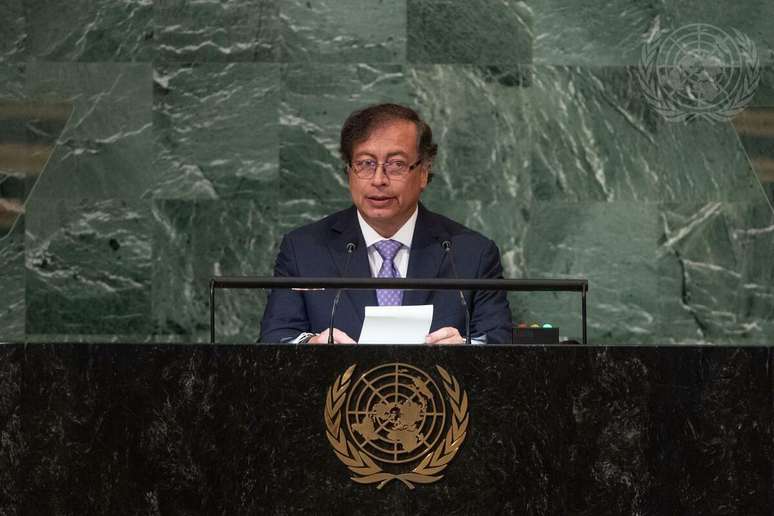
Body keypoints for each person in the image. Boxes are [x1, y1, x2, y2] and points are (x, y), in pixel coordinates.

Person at [259, 103, 512, 344]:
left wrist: (468, 348)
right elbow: (274, 339)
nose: (379, 180)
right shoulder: (304, 250)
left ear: (423, 172)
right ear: (349, 171)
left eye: (396, 165)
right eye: (366, 164)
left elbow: (499, 343)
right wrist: (311, 343)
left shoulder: (471, 254)